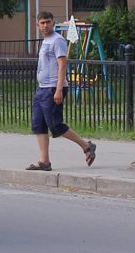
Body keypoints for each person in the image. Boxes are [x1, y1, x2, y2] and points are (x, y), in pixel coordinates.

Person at [26, 11, 96, 171]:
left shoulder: (57, 40)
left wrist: (58, 90)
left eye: (48, 22)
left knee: (55, 125)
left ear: (52, 24)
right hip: (42, 89)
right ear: (38, 25)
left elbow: (62, 65)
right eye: (42, 23)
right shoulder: (46, 41)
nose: (45, 25)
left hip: (52, 89)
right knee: (39, 125)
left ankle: (87, 146)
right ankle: (44, 161)